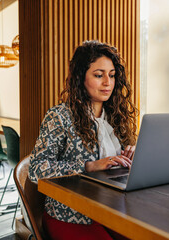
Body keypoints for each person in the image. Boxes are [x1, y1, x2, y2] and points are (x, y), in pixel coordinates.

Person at [29, 40, 138, 240]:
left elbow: (117, 168)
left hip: (112, 211)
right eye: (99, 75)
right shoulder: (60, 116)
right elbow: (36, 170)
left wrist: (131, 155)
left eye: (112, 75)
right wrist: (89, 166)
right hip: (70, 216)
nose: (108, 82)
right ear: (81, 78)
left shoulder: (116, 116)